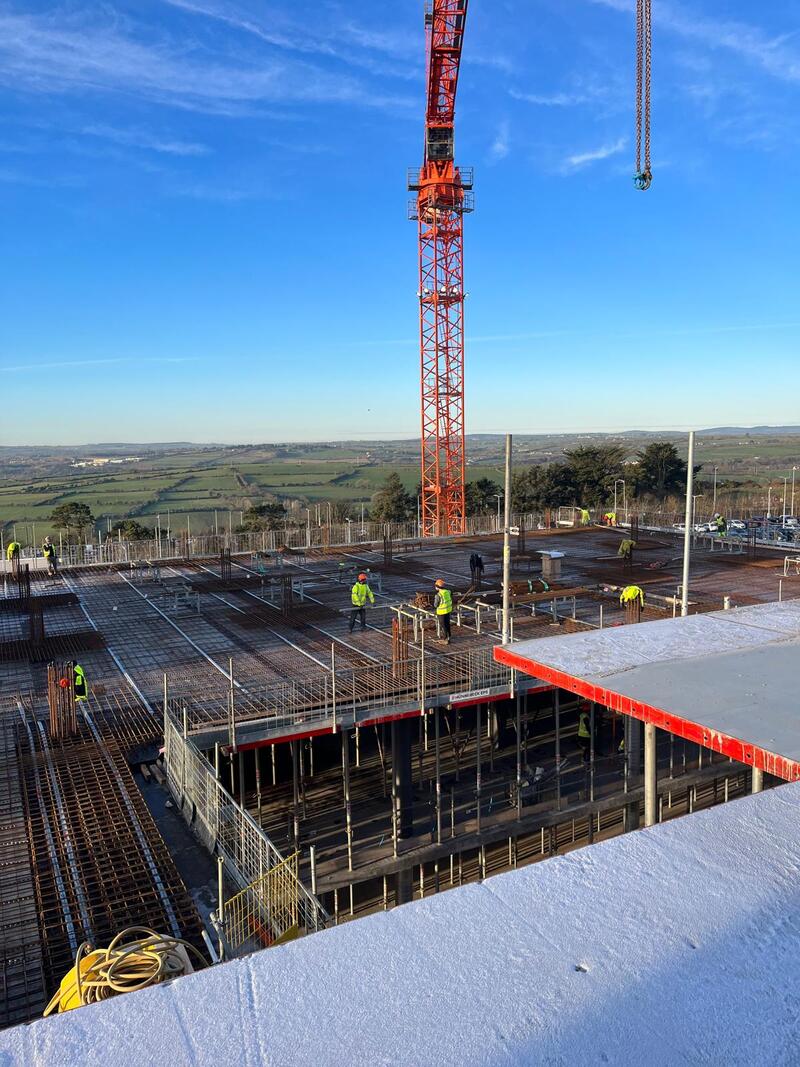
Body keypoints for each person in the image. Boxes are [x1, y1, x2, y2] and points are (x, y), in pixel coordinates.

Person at [434, 578, 453, 644]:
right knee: (447, 624)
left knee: (443, 625)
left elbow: (435, 605)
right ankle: (449, 636)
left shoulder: (438, 595)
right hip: (448, 610)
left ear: (437, 587)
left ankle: (445, 639)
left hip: (441, 612)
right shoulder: (448, 591)